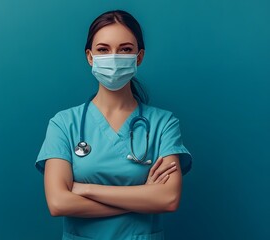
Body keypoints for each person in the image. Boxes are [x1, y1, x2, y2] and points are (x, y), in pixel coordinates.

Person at [35, 10, 193, 240]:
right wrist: (144, 198)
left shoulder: (164, 123)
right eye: (103, 49)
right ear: (90, 57)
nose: (114, 57)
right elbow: (59, 203)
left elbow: (168, 199)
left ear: (139, 57)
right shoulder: (64, 123)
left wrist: (85, 189)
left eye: (125, 49)